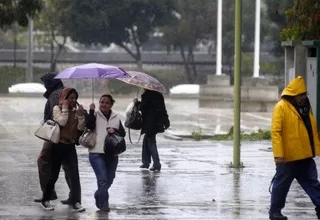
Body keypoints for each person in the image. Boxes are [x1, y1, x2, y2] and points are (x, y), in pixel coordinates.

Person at [269, 76, 320, 220]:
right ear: (294, 94)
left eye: (305, 94)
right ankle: (275, 213)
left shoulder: (305, 107)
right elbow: (276, 132)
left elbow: (311, 129)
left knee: (312, 183)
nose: (304, 97)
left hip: (304, 155)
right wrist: (278, 155)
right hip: (287, 157)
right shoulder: (281, 107)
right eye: (301, 95)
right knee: (281, 186)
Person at [41, 88, 85, 212]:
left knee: (74, 175)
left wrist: (81, 116)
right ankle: (46, 199)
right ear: (64, 98)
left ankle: (76, 201)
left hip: (70, 146)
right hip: (58, 145)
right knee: (53, 174)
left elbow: (81, 128)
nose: (73, 100)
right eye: (70, 98)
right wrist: (65, 109)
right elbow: (62, 122)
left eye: (75, 98)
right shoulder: (57, 109)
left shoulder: (76, 111)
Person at [34, 73, 72, 204]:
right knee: (68, 166)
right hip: (65, 136)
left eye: (46, 83)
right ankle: (74, 196)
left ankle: (48, 194)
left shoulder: (56, 94)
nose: (45, 86)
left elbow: (57, 115)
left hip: (55, 135)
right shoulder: (62, 92)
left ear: (51, 83)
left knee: (43, 162)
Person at [85, 94, 126, 211]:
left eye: (107, 102)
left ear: (111, 105)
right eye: (102, 102)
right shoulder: (94, 115)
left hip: (112, 154)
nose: (104, 104)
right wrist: (91, 110)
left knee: (110, 178)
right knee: (102, 179)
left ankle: (99, 194)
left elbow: (122, 134)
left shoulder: (116, 117)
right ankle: (104, 204)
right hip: (96, 152)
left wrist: (115, 130)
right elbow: (89, 125)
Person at [134, 89, 170, 171]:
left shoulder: (146, 95)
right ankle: (146, 162)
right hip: (157, 123)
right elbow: (163, 110)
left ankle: (156, 164)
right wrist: (166, 121)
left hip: (149, 123)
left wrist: (137, 103)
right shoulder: (159, 95)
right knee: (147, 140)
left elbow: (143, 109)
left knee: (151, 142)